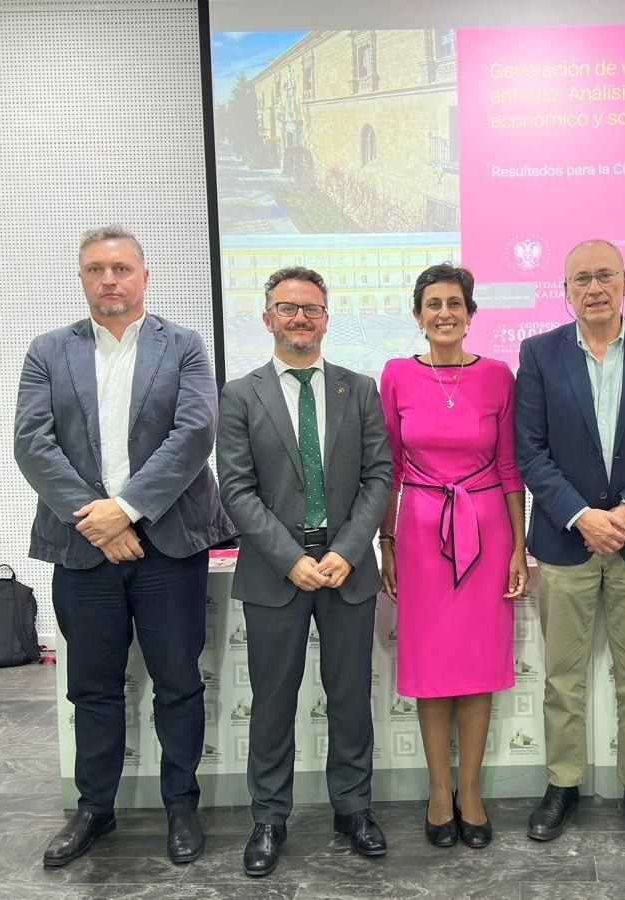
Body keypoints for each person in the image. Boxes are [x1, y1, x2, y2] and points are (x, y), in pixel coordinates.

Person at [14, 226, 231, 868]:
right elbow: (32, 442)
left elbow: (195, 434)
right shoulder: (48, 351)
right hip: (83, 548)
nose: (109, 279)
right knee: (92, 687)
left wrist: (128, 511)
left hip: (168, 547)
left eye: (121, 268)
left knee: (177, 684)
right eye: (95, 269)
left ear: (144, 276)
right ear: (81, 278)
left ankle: (181, 807)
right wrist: (98, 522)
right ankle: (94, 810)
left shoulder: (184, 346)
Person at [514, 239, 625, 844]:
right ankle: (563, 783)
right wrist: (583, 516)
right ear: (566, 291)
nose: (594, 287)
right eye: (581, 278)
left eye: (604, 276)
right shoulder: (537, 354)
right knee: (563, 676)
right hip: (567, 542)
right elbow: (529, 452)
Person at [217, 266, 393, 877]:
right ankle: (268, 817)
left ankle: (354, 809)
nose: (300, 318)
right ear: (267, 317)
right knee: (272, 701)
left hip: (348, 567)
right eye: (287, 308)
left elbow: (378, 477)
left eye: (311, 309)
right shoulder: (241, 395)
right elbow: (236, 491)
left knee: (350, 698)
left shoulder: (359, 388)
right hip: (275, 571)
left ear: (326, 316)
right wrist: (291, 559)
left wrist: (348, 549)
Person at [377, 263, 526, 850]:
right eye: (433, 304)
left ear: (470, 313)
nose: (444, 313)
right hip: (418, 534)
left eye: (454, 304)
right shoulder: (394, 375)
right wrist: (385, 541)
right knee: (433, 672)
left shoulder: (497, 376)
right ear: (418, 316)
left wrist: (518, 545)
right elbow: (386, 468)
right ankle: (439, 794)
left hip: (487, 532)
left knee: (477, 669)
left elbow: (511, 468)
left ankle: (471, 793)